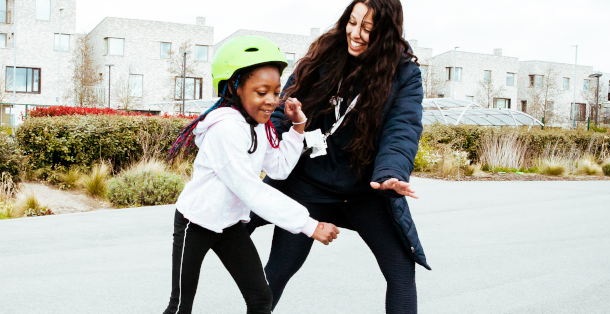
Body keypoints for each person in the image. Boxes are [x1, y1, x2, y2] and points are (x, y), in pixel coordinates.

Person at [244, 0, 430, 313]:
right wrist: (260, 142)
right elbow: (282, 110)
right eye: (352, 22)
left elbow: (403, 128)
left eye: (367, 29)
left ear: (385, 32)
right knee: (278, 270)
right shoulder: (324, 55)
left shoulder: (404, 74)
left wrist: (390, 174)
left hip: (365, 189)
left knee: (400, 270)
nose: (355, 33)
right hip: (309, 185)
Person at [161, 36, 341, 314]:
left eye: (276, 91)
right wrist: (309, 225)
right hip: (195, 222)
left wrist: (297, 127)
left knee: (260, 298)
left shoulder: (259, 126)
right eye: (261, 92)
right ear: (234, 88)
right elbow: (251, 190)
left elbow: (278, 168)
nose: (272, 101)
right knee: (181, 307)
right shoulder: (224, 130)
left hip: (229, 224)